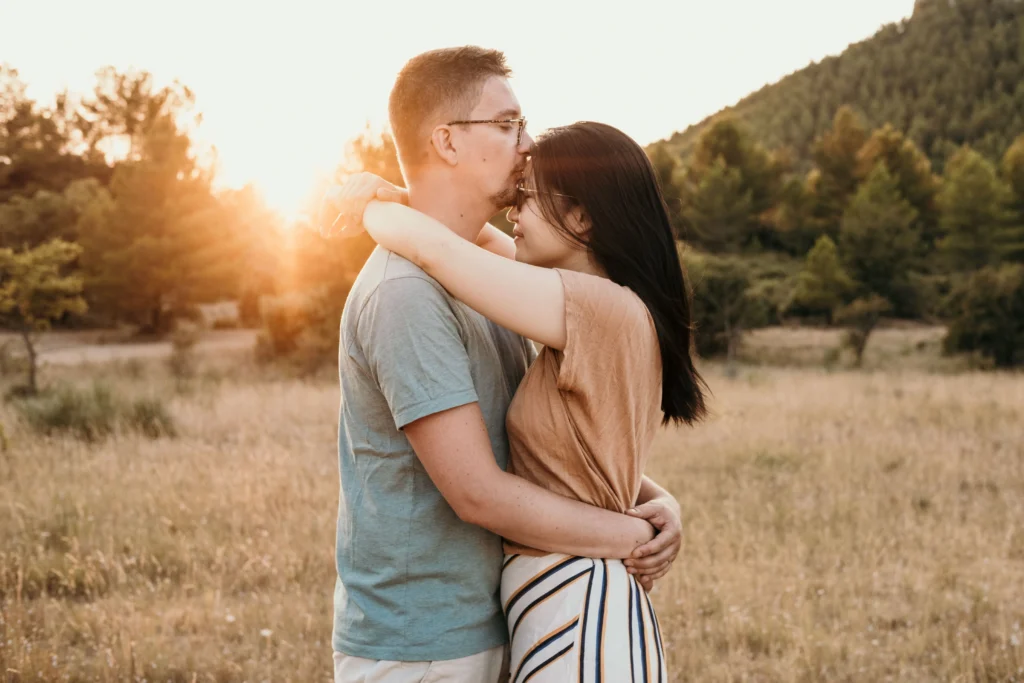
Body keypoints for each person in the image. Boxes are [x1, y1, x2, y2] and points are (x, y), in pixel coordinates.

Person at [326, 47, 686, 683]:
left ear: (582, 218)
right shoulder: (411, 292)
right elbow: (477, 491)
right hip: (427, 646)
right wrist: (636, 527)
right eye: (507, 124)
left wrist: (377, 204)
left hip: (517, 615)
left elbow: (449, 245)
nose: (524, 147)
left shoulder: (507, 288)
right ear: (447, 141)